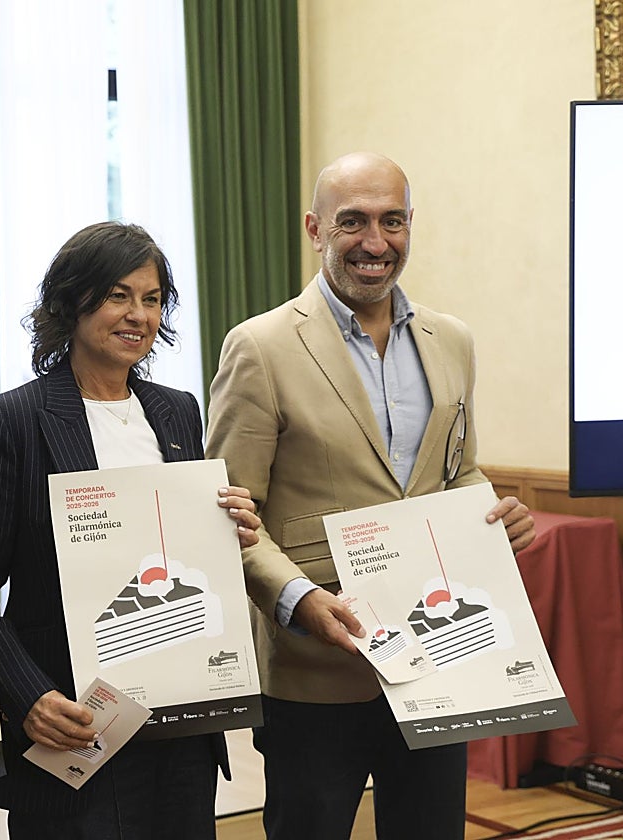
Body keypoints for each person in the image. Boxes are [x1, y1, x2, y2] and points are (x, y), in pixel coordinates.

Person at [205, 152, 537, 840]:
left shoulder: (453, 341)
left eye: (392, 221)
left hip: (438, 658)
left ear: (410, 225)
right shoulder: (261, 347)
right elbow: (228, 512)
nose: (375, 242)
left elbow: (458, 470)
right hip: (316, 666)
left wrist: (494, 513)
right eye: (352, 221)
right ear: (315, 228)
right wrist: (300, 602)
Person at [0, 221, 263, 839]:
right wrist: (28, 697)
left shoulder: (177, 409)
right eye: (118, 295)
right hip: (74, 720)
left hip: (181, 719)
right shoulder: (9, 420)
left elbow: (182, 560)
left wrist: (229, 529)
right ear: (72, 303)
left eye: (152, 299)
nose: (139, 315)